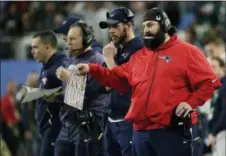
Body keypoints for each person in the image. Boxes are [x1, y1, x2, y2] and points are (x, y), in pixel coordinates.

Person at [74, 8, 221, 156]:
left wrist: (190, 102)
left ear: (164, 24)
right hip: (140, 132)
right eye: (144, 26)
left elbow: (210, 81)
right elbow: (118, 79)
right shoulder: (140, 56)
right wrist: (91, 68)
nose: (146, 30)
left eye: (150, 25)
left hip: (171, 131)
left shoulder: (188, 51)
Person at [55, 20, 106, 156]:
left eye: (73, 39)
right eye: (67, 39)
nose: (68, 42)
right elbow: (70, 94)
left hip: (88, 125)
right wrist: (57, 96)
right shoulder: (72, 60)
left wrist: (70, 78)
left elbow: (92, 94)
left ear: (86, 39)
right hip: (67, 125)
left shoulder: (97, 61)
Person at [98, 7, 143, 156]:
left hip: (129, 122)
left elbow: (125, 84)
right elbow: (106, 85)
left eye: (115, 26)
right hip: (111, 121)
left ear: (128, 26)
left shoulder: (140, 48)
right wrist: (111, 59)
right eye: (109, 27)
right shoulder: (114, 50)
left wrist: (110, 60)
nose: (111, 31)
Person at [31, 31, 69, 156]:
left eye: (35, 47)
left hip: (55, 129)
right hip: (46, 128)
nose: (32, 51)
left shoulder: (59, 68)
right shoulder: (46, 66)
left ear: (47, 47)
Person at [207, 57, 226, 156]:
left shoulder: (224, 87)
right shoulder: (219, 86)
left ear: (223, 68)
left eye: (214, 67)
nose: (211, 69)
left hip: (222, 132)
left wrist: (214, 132)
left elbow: (224, 112)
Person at [1, 81, 20, 156]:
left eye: (13, 86)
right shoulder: (4, 99)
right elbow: (3, 112)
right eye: (10, 86)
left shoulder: (17, 100)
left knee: (16, 150)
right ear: (7, 87)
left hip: (17, 128)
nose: (11, 88)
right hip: (7, 129)